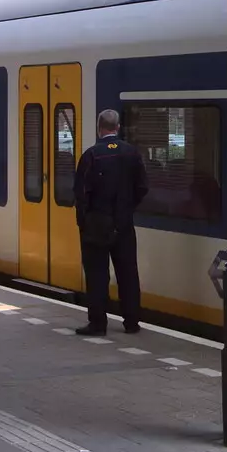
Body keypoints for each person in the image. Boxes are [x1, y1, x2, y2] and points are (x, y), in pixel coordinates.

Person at [72, 110, 148, 336]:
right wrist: (127, 208)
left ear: (99, 127)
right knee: (128, 272)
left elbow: (80, 193)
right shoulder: (131, 153)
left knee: (97, 274)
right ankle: (132, 322)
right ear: (118, 127)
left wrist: (84, 222)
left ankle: (98, 323)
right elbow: (142, 187)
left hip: (97, 223)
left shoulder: (91, 156)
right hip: (124, 223)